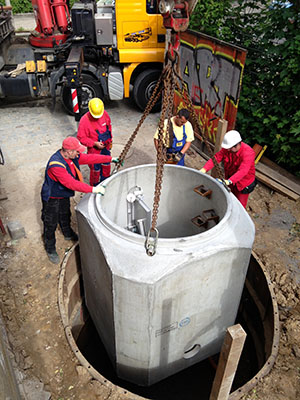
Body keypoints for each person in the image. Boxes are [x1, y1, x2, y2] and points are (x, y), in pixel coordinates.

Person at [41, 136, 119, 264]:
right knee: (50, 222)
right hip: (52, 197)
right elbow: (71, 183)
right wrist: (94, 189)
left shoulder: (72, 156)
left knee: (65, 214)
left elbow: (89, 158)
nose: (79, 153)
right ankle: (50, 248)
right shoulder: (56, 165)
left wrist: (110, 159)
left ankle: (67, 233)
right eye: (77, 151)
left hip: (63, 194)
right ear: (68, 151)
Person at [200, 130, 256, 208]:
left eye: (230, 148)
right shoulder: (228, 148)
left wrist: (229, 181)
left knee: (239, 206)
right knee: (228, 198)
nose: (228, 150)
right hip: (230, 179)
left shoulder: (248, 153)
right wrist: (204, 169)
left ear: (237, 145)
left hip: (242, 184)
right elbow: (216, 158)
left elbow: (243, 171)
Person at [77, 98, 112, 186]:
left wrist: (110, 141)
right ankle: (95, 185)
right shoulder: (84, 121)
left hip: (106, 147)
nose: (97, 117)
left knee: (106, 165)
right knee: (95, 169)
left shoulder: (105, 114)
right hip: (94, 150)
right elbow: (81, 138)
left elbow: (109, 127)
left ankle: (105, 182)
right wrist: (94, 143)